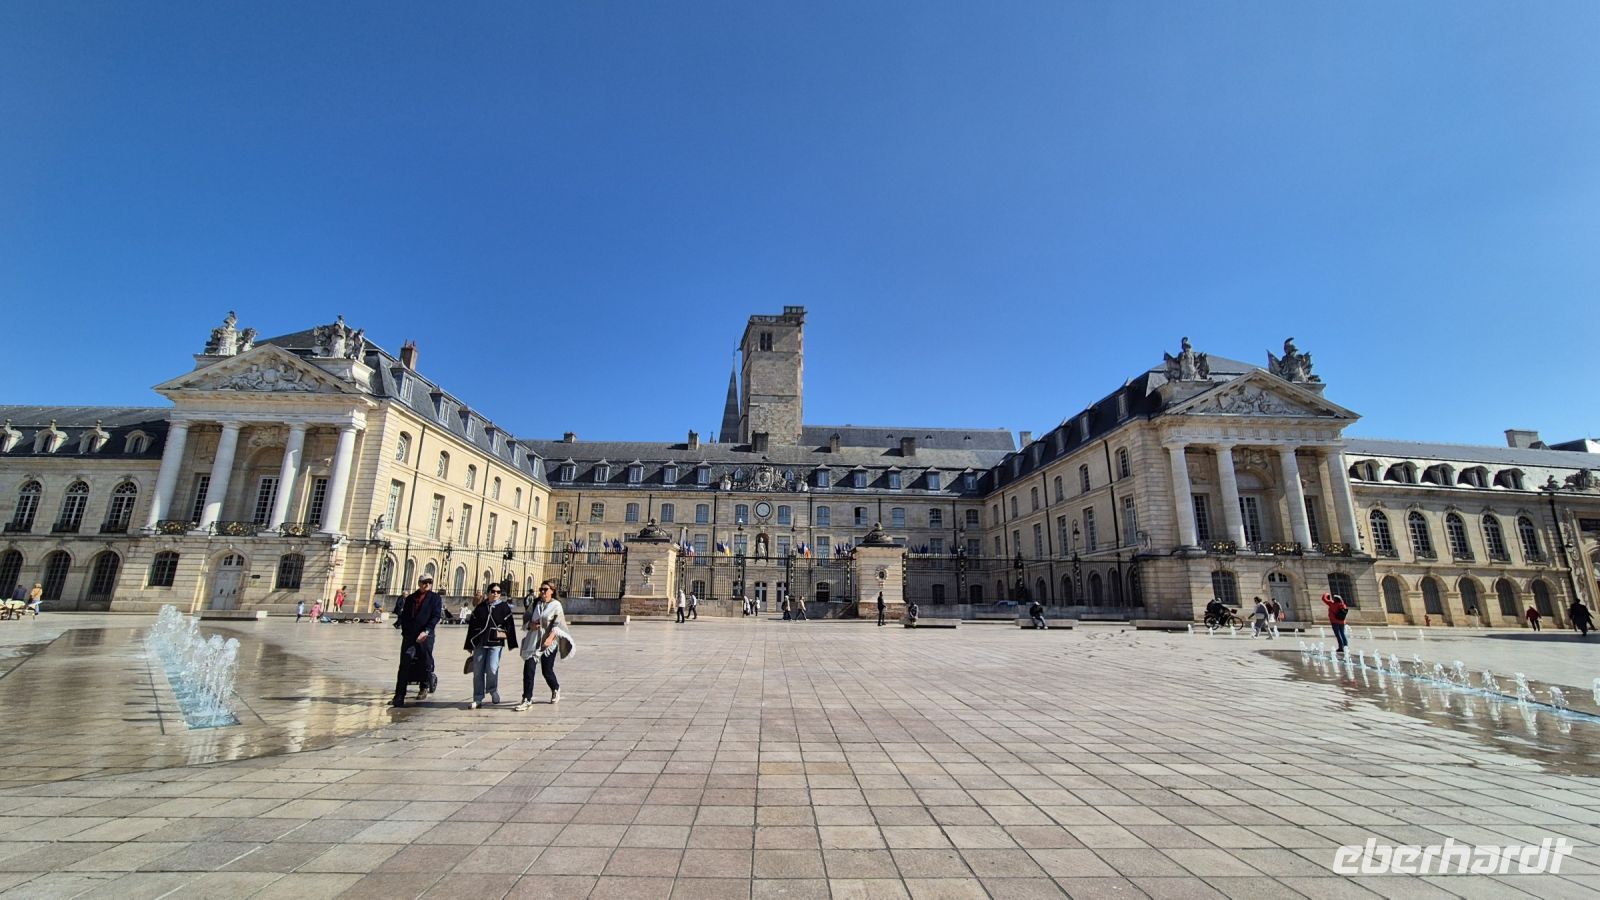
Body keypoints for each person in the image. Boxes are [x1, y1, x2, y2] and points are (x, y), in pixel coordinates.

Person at [391, 575, 443, 707]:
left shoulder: (435, 598)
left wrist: (426, 631)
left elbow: (436, 616)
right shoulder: (410, 598)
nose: (427, 584)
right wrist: (406, 632)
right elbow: (405, 616)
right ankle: (399, 695)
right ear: (419, 583)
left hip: (426, 636)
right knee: (405, 662)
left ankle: (424, 686)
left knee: (425, 662)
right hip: (410, 636)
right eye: (424, 582)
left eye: (429, 582)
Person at [463, 585, 518, 709]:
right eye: (493, 591)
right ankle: (478, 698)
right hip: (480, 642)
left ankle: (493, 690)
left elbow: (510, 625)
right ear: (488, 593)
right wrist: (469, 644)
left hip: (495, 642)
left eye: (498, 592)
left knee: (492, 668)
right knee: (478, 671)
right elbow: (472, 626)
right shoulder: (480, 607)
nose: (496, 594)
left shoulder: (504, 607)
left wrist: (512, 642)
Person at [518, 580, 566, 709]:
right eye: (541, 589)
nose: (543, 592)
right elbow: (526, 619)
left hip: (548, 642)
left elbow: (558, 625)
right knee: (529, 669)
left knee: (547, 671)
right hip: (533, 640)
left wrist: (550, 638)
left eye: (546, 589)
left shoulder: (556, 605)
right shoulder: (535, 604)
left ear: (552, 591)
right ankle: (527, 699)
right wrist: (530, 625)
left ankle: (555, 688)